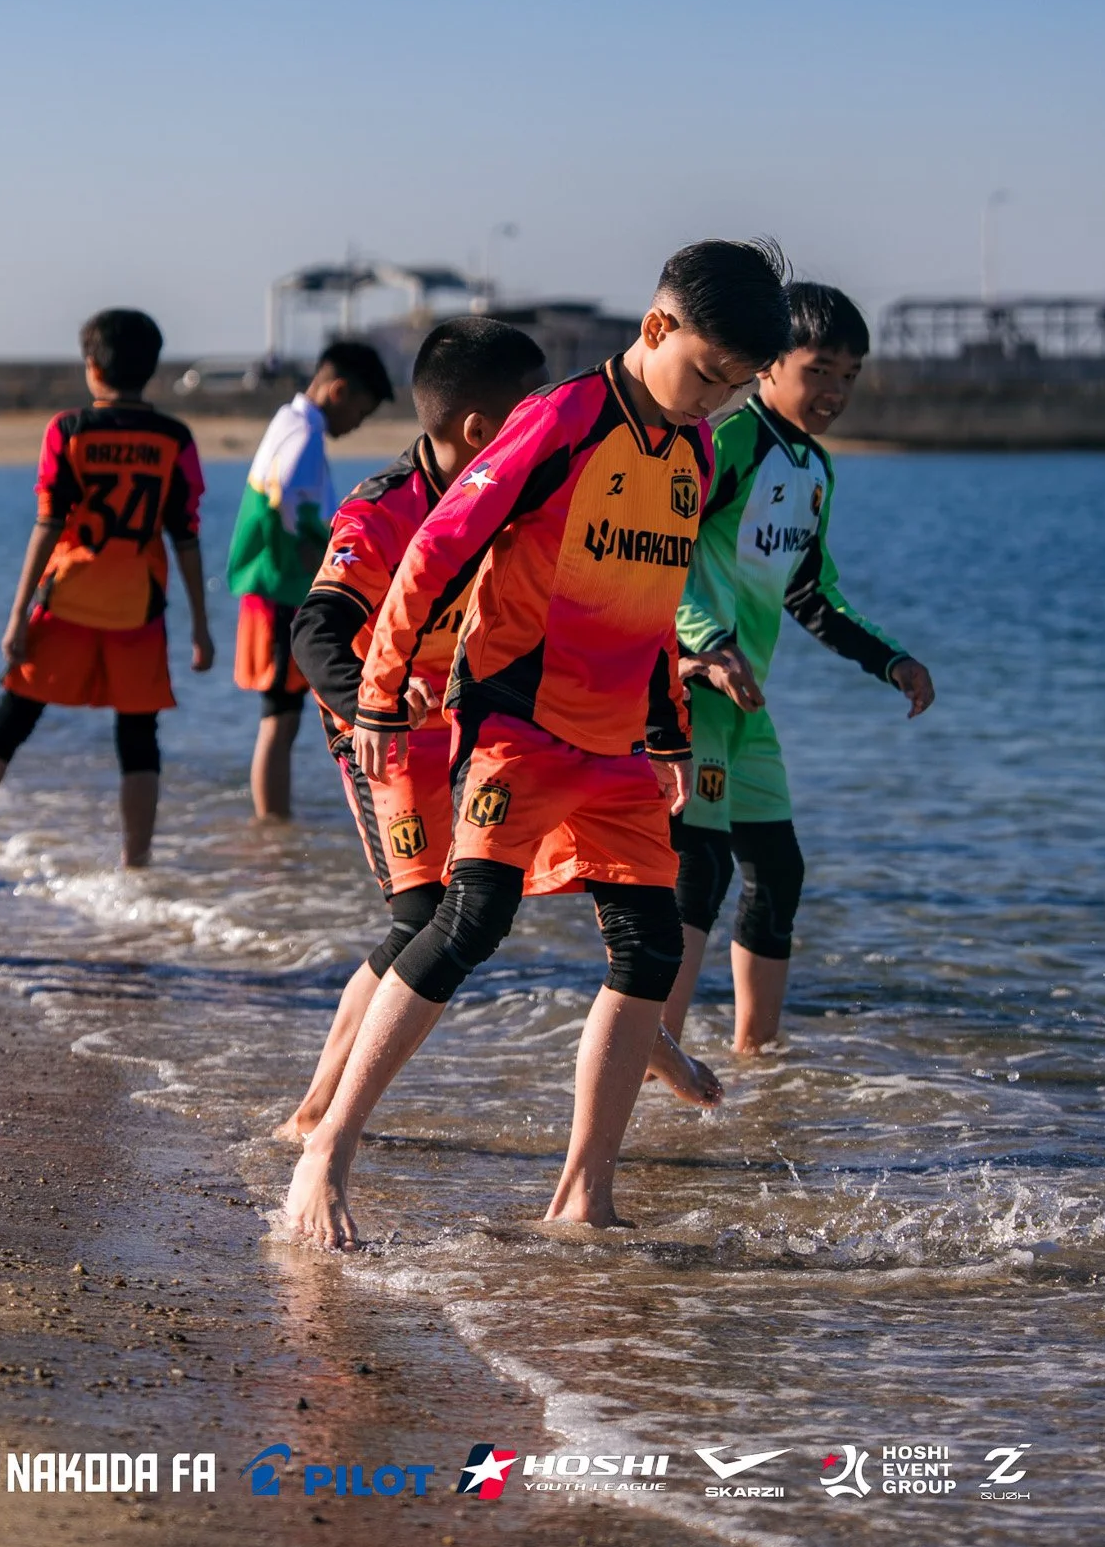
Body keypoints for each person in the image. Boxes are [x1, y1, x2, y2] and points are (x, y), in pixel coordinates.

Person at [282, 239, 793, 1249]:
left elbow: (649, 607)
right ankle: (327, 1145)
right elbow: (434, 549)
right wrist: (379, 695)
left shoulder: (690, 455)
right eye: (704, 375)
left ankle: (580, 1196)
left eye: (733, 391)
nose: (709, 404)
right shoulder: (559, 420)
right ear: (655, 328)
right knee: (467, 919)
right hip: (515, 722)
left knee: (647, 949)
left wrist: (668, 733)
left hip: (616, 747)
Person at [276, 317, 550, 1140]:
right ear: (478, 431)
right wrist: (376, 703)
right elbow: (314, 632)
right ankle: (316, 1113)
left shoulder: (510, 502)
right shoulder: (383, 510)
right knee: (419, 917)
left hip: (456, 729)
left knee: (475, 904)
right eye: (528, 417)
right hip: (377, 730)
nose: (545, 435)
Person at [664, 281, 936, 1053]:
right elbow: (659, 550)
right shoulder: (727, 445)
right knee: (701, 875)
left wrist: (891, 660)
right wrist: (706, 644)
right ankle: (655, 1054)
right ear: (770, 364)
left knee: (778, 873)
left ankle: (757, 1061)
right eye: (820, 369)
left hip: (748, 706)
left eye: (850, 375)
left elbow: (813, 592)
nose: (835, 391)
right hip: (692, 695)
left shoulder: (813, 468)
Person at [0, 310, 212, 887]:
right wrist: (201, 627)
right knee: (138, 738)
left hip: (66, 600)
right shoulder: (173, 439)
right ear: (152, 371)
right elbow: (185, 534)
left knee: (11, 720)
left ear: (92, 368)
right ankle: (136, 867)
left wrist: (16, 616)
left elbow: (47, 523)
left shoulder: (68, 430)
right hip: (139, 607)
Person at [227, 340, 393, 819]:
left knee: (280, 719)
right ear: (339, 391)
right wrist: (326, 571)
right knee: (279, 720)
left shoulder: (289, 420)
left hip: (272, 591)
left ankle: (273, 826)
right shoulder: (304, 433)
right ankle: (272, 827)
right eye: (360, 412)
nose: (356, 425)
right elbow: (289, 509)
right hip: (283, 594)